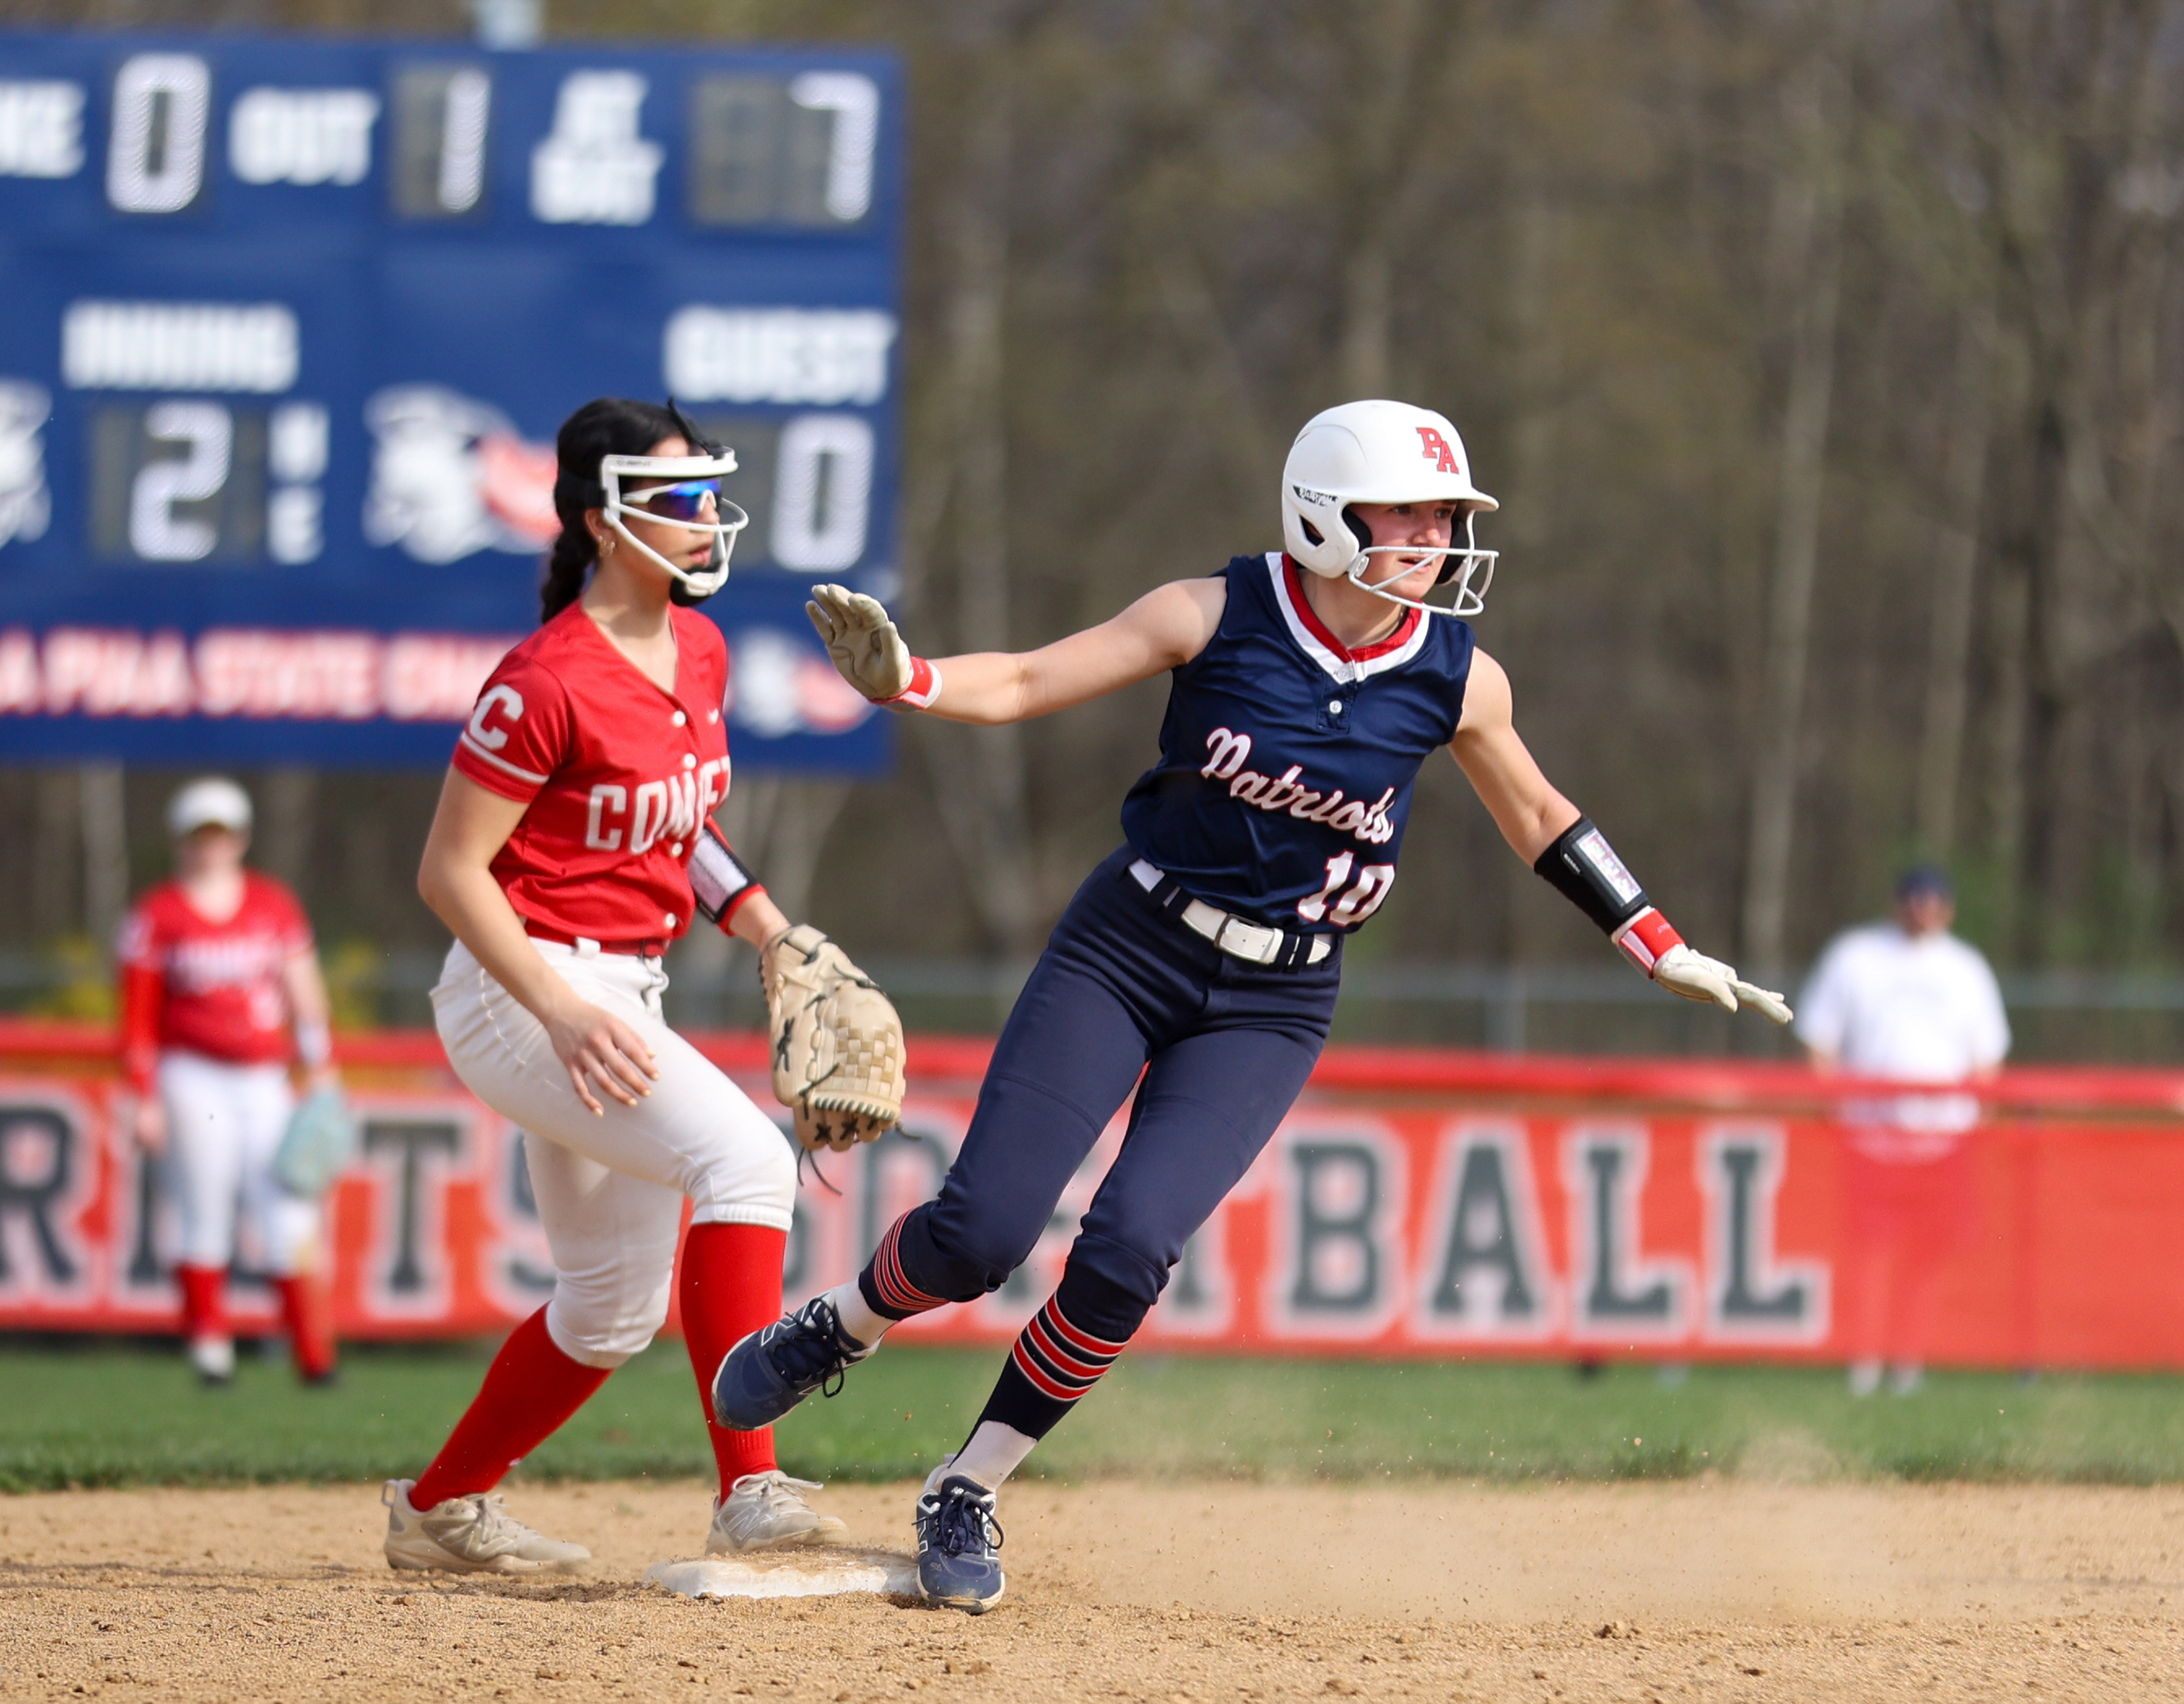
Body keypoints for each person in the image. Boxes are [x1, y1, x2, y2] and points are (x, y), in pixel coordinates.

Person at [711, 399, 1795, 1612]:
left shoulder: (1453, 674)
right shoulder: (1213, 613)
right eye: (1414, 512)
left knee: (1127, 1252)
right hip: (1128, 946)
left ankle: (970, 1481)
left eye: (1450, 516)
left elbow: (1541, 816)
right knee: (980, 1235)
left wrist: (1657, 941)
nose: (1437, 536)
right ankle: (841, 1324)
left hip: (1275, 1000)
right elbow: (1023, 680)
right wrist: (907, 679)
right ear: (1327, 511)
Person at [382, 397, 863, 1576]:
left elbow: (683, 832)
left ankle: (438, 1510)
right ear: (604, 522)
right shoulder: (544, 680)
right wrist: (559, 1008)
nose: (706, 518)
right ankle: (749, 1484)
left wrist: (772, 934)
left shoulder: (700, 648)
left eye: (708, 494)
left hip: (619, 986)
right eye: (677, 499)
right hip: (520, 986)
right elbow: (448, 873)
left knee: (608, 1308)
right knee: (746, 1160)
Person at [118, 777, 342, 1388]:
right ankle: (211, 1351)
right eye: (199, 835)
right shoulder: (157, 913)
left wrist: (321, 1066)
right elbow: (136, 1016)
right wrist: (142, 1095)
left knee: (288, 1210)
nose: (210, 847)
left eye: (220, 834)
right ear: (180, 840)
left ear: (240, 838)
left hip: (264, 1077)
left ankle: (313, 1356)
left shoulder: (273, 904)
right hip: (191, 1074)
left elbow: (303, 989)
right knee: (204, 1206)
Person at [1795, 865, 2009, 1396]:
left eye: (1934, 899)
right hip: (1871, 1140)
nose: (1923, 908)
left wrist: (1976, 1123)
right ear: (1897, 903)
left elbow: (1987, 1059)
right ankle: (1864, 1364)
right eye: (1914, 898)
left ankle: (1909, 1364)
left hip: (1941, 1142)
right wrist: (1834, 1109)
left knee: (1927, 1260)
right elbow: (1820, 1040)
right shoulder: (1857, 955)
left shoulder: (1967, 968)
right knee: (1868, 1256)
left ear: (1949, 908)